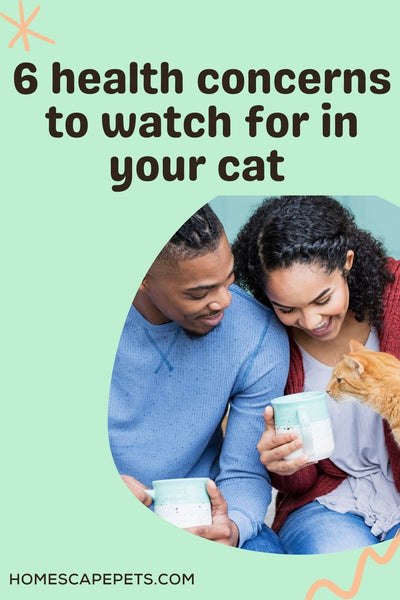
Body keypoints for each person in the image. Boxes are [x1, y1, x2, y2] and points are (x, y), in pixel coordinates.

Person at [108, 204, 289, 552]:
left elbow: (245, 471)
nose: (223, 301)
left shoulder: (257, 333)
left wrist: (232, 527)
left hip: (206, 518)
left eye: (229, 278)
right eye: (199, 293)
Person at [232, 195, 400, 554]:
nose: (310, 322)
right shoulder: (265, 340)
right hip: (327, 503)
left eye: (322, 300)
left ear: (347, 263)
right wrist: (284, 464)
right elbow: (299, 482)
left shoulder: (396, 295)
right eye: (287, 308)